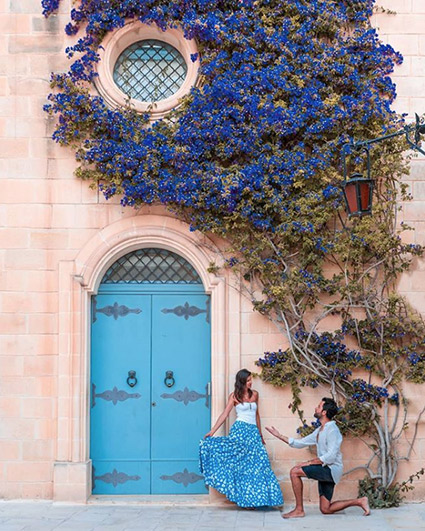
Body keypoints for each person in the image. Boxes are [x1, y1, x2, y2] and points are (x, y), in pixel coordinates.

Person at [266, 397, 370, 518]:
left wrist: (309, 463)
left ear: (324, 412)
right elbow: (300, 443)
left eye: (319, 406)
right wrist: (279, 435)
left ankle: (299, 510)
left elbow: (330, 457)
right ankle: (360, 501)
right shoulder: (320, 430)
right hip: (325, 469)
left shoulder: (332, 430)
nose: (316, 408)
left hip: (331, 470)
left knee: (295, 472)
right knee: (326, 509)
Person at [199, 369, 283, 508]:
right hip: (240, 431)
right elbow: (225, 414)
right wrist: (212, 431)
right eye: (248, 380)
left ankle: (259, 499)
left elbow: (257, 415)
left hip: (253, 433)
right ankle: (245, 501)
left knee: (259, 464)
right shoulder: (234, 396)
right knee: (241, 466)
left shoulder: (255, 394)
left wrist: (260, 434)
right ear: (242, 381)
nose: (251, 382)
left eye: (251, 380)